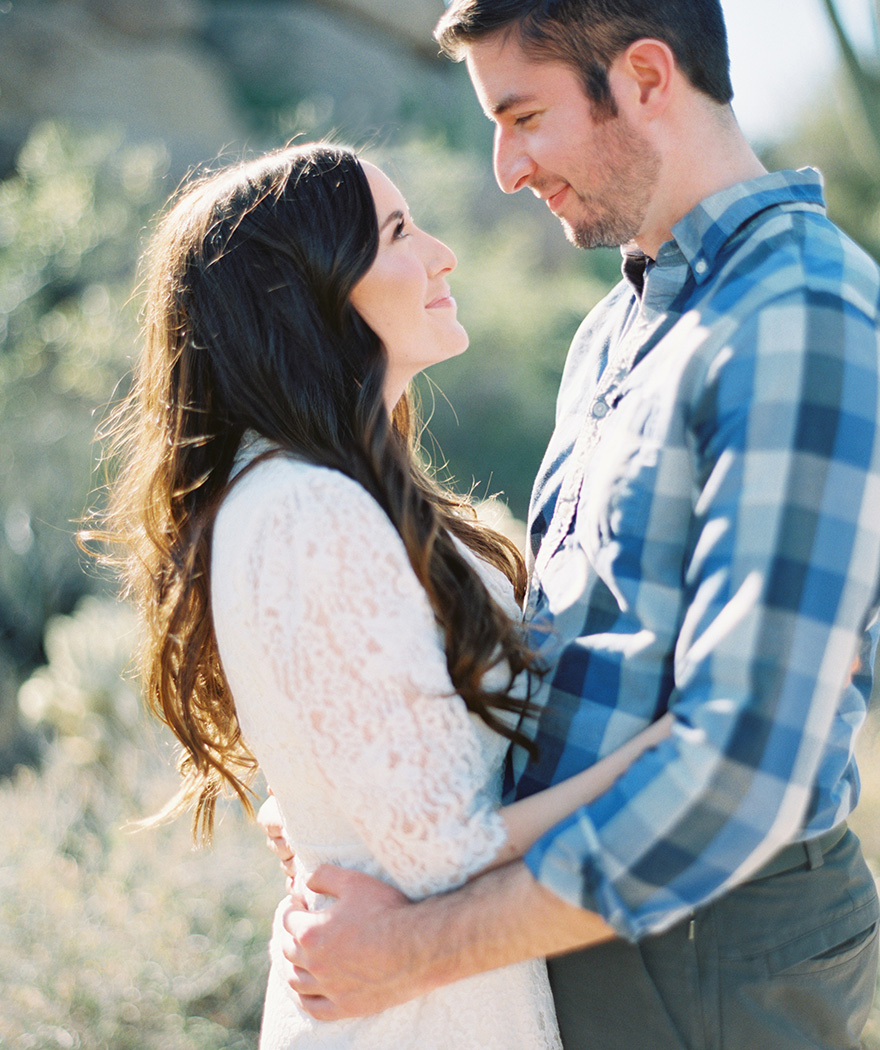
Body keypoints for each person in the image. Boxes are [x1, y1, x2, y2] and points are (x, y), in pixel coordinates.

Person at [271, 3, 880, 1049]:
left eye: (525, 118)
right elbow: (571, 651)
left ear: (645, 78)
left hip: (707, 939)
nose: (506, 169)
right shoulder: (615, 328)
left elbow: (743, 768)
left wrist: (408, 949)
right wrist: (359, 803)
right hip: (575, 907)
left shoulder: (800, 317)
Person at [94, 140, 675, 1049]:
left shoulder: (321, 493)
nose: (442, 254)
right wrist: (681, 748)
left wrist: (321, 820)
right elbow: (449, 850)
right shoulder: (307, 511)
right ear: (306, 293)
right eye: (399, 232)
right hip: (415, 1009)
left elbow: (381, 762)